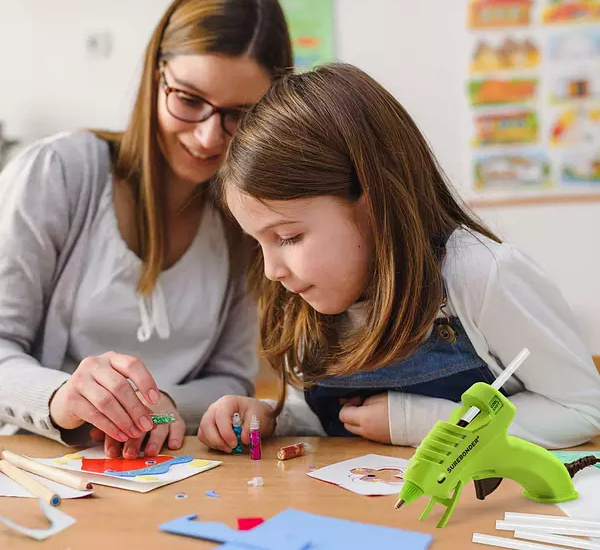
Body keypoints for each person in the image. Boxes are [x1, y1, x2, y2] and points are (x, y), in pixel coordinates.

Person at [198, 63, 600, 452]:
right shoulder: (304, 298)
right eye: (258, 242)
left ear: (373, 205)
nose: (272, 271)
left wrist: (421, 421)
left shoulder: (479, 275)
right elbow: (324, 422)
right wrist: (271, 417)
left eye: (288, 237)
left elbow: (581, 410)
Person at [0, 0, 293, 458]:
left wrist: (168, 402)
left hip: (175, 462)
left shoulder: (247, 215)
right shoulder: (58, 173)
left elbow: (232, 374)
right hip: (43, 464)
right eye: (189, 100)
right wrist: (59, 397)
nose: (207, 138)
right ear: (154, 76)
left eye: (240, 115)